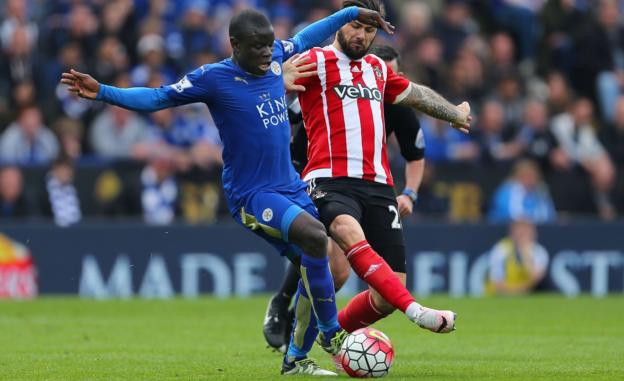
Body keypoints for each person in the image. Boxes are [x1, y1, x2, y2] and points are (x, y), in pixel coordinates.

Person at [61, 6, 394, 376]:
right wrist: (104, 92)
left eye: (270, 46)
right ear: (235, 45)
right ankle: (332, 334)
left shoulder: (275, 58)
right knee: (316, 238)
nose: (268, 53)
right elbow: (158, 97)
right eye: (258, 47)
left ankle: (296, 359)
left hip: (290, 185)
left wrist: (350, 11)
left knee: (323, 263)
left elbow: (309, 35)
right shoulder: (214, 78)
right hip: (252, 194)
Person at [269, 0, 471, 367]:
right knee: (345, 240)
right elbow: (269, 73)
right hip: (328, 178)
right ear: (340, 23)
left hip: (378, 184)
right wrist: (279, 76)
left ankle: (331, 341)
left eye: (368, 29)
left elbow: (418, 94)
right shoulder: (317, 60)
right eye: (355, 26)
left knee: (385, 292)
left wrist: (454, 112)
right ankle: (414, 311)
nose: (360, 35)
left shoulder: (378, 69)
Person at [263, 44, 427, 352]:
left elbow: (415, 154)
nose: (381, 80)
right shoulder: (336, 81)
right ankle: (281, 307)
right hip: (308, 168)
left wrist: (410, 193)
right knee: (327, 258)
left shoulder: (398, 106)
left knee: (336, 273)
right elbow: (283, 113)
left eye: (390, 75)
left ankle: (323, 332)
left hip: (364, 181)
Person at [486, 219, 549, 295]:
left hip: (527, 295)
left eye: (526, 233)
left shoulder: (539, 251)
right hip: (501, 295)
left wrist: (526, 254)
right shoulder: (501, 249)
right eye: (520, 233)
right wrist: (519, 290)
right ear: (512, 234)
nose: (523, 236)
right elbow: (497, 283)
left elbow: (535, 277)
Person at [488, 159, 557, 224]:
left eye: (533, 176)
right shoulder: (506, 191)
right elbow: (509, 215)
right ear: (517, 176)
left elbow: (549, 215)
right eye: (526, 176)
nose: (530, 180)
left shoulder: (541, 191)